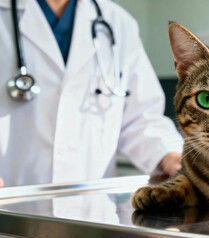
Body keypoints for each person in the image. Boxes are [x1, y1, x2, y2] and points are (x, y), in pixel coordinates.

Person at [0, 0, 183, 187]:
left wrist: (169, 154)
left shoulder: (118, 23)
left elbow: (140, 119)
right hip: (9, 201)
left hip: (89, 206)